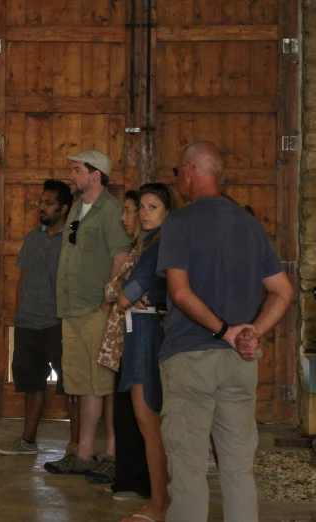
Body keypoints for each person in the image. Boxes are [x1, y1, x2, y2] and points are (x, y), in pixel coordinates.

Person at [157, 141, 294, 522]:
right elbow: (284, 291)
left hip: (192, 359)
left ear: (189, 171)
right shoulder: (251, 226)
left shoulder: (179, 223)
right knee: (237, 469)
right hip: (239, 364)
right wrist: (251, 333)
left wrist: (226, 332)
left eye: (178, 172)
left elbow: (181, 294)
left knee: (188, 472)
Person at [45, 150, 132, 483]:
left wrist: (107, 305)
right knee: (82, 385)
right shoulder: (78, 209)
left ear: (96, 176)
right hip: (71, 309)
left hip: (97, 310)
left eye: (76, 170)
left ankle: (111, 454)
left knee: (106, 384)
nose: (71, 176)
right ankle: (83, 454)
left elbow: (121, 259)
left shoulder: (111, 211)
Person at [0, 179, 78, 456]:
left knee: (72, 386)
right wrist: (19, 313)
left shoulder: (71, 239)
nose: (42, 207)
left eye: (49, 203)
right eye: (40, 202)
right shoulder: (33, 237)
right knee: (32, 382)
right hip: (28, 323)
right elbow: (22, 278)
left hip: (58, 323)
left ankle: (76, 446)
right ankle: (27, 441)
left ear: (64, 208)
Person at [116, 183, 179, 522]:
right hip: (139, 331)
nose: (143, 212)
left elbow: (124, 295)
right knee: (148, 423)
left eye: (153, 207)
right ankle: (161, 500)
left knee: (149, 423)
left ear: (167, 211)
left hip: (144, 336)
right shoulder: (147, 243)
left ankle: (160, 504)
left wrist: (124, 292)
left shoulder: (157, 247)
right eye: (141, 206)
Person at [98, 190, 151, 500]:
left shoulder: (149, 252)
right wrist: (120, 285)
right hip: (123, 343)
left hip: (138, 343)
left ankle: (140, 481)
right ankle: (127, 477)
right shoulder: (135, 250)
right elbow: (112, 290)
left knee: (136, 416)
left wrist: (121, 287)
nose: (125, 217)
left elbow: (124, 293)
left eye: (130, 211)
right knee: (123, 414)